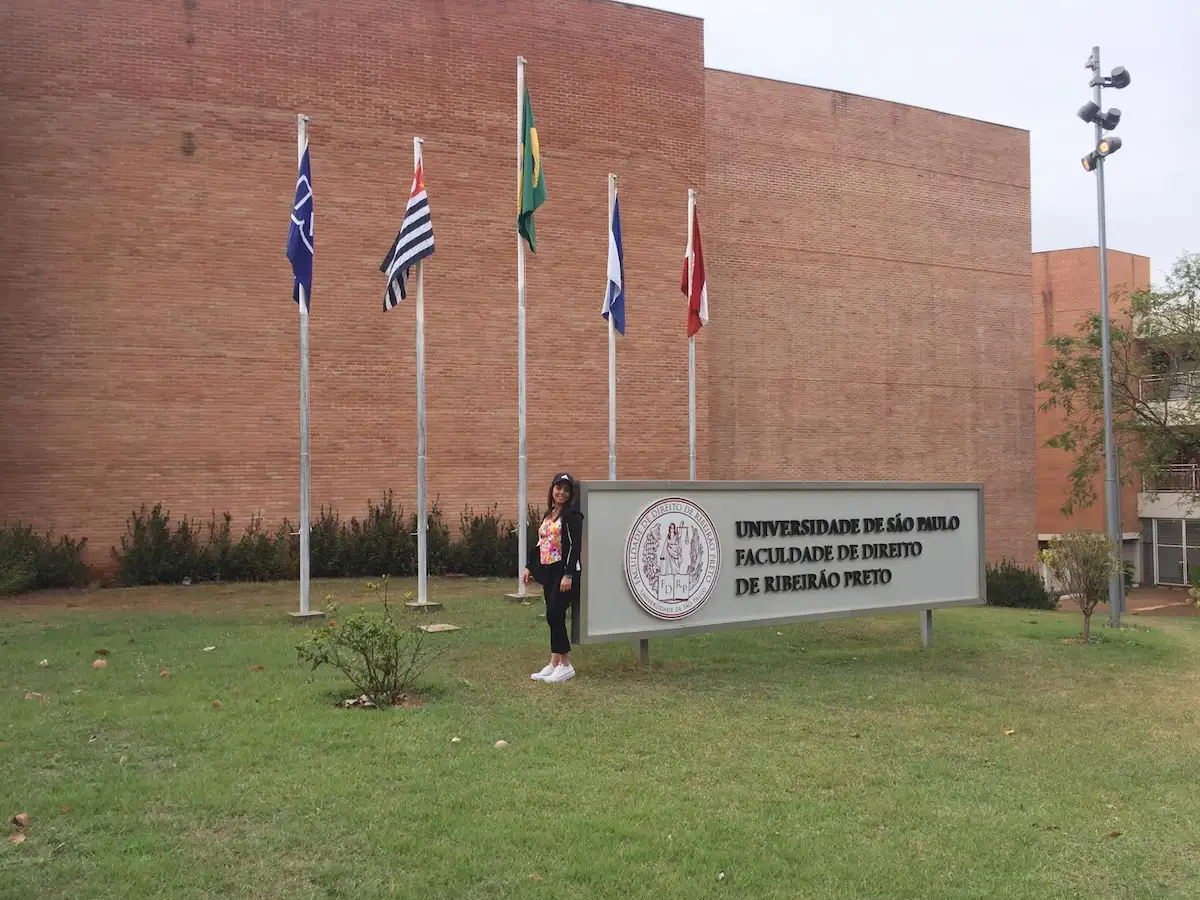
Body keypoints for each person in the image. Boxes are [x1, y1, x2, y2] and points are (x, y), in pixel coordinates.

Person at [522, 472, 583, 683]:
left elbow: (574, 547)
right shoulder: (550, 514)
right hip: (548, 571)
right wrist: (530, 567)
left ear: (571, 493)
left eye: (566, 490)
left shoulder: (572, 516)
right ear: (552, 489)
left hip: (563, 572)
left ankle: (565, 664)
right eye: (559, 488)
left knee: (555, 615)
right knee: (551, 616)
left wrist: (568, 574)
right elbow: (541, 543)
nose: (562, 493)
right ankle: (554, 661)